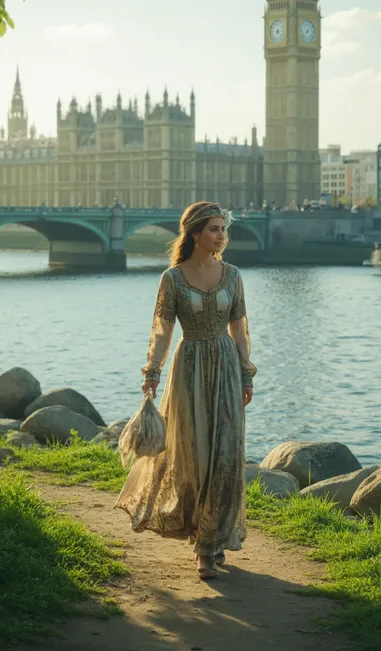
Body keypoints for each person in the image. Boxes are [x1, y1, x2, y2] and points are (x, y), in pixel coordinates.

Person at [114, 201, 257, 581]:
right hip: (188, 368)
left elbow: (240, 330)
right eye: (213, 229)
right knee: (193, 457)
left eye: (223, 229)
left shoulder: (234, 275)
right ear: (194, 234)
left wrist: (247, 374)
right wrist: (152, 372)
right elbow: (161, 330)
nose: (221, 235)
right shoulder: (172, 278)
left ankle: (213, 540)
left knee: (225, 454)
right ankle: (202, 540)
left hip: (225, 368)